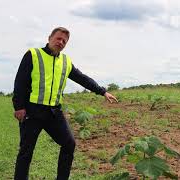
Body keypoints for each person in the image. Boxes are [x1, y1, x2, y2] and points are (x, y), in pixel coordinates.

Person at [12, 27, 118, 180]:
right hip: (32, 111)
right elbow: (20, 82)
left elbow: (82, 78)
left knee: (69, 144)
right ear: (49, 38)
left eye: (64, 41)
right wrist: (19, 107)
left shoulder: (65, 61)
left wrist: (102, 91)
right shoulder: (33, 55)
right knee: (26, 151)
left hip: (54, 112)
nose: (60, 42)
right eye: (58, 38)